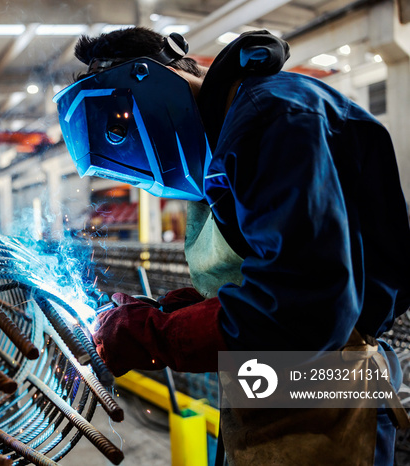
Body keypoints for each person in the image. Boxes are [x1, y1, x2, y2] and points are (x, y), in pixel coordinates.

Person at [54, 27, 410, 465]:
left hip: (327, 387)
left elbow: (302, 309)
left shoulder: (273, 119)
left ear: (158, 83)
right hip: (273, 382)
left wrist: (150, 334)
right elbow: (269, 272)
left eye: (123, 128)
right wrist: (167, 311)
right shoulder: (226, 140)